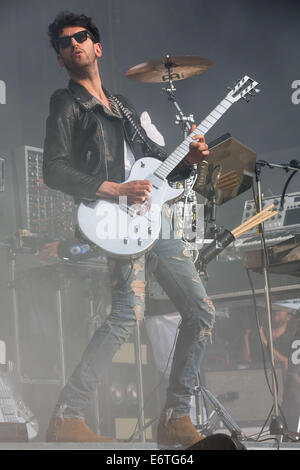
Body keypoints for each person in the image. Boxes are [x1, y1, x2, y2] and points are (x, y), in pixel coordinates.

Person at [43, 11, 215, 449]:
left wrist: (187, 160)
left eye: (81, 37)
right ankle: (68, 414)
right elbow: (53, 170)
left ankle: (176, 417)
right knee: (126, 315)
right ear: (61, 59)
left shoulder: (121, 104)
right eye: (64, 44)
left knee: (201, 312)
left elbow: (154, 158)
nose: (74, 45)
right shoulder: (67, 104)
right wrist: (116, 189)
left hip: (150, 218)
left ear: (97, 47)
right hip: (117, 221)